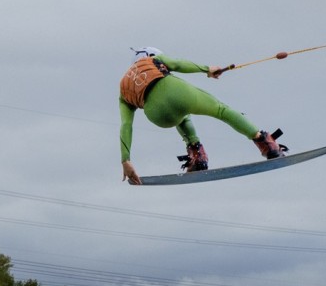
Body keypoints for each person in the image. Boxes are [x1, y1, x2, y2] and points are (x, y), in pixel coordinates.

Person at [119, 47, 285, 185]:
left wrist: (126, 160)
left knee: (182, 117)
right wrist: (207, 69)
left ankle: (197, 156)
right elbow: (178, 64)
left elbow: (126, 125)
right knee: (220, 110)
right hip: (176, 93)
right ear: (150, 55)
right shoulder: (152, 59)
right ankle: (266, 144)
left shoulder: (123, 89)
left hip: (158, 116)